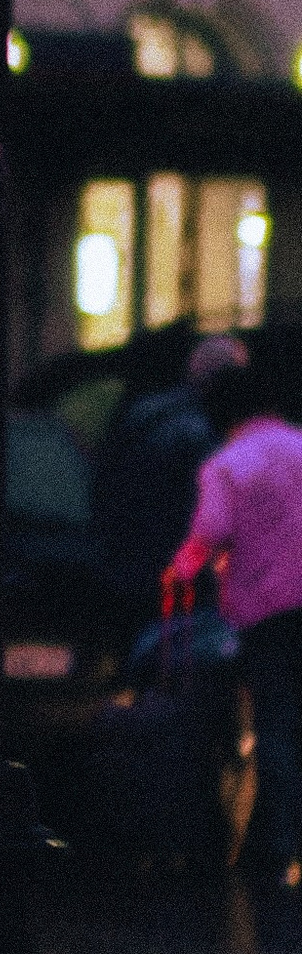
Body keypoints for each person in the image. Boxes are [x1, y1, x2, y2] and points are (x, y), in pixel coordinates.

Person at [167, 355, 302, 893]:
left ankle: (275, 845)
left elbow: (211, 532)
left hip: (269, 608)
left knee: (274, 722)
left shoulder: (228, 464)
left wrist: (177, 571)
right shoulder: (299, 446)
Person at [93, 332, 249, 645]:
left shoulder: (143, 414)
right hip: (178, 571)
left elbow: (104, 482)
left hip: (126, 561)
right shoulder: (206, 432)